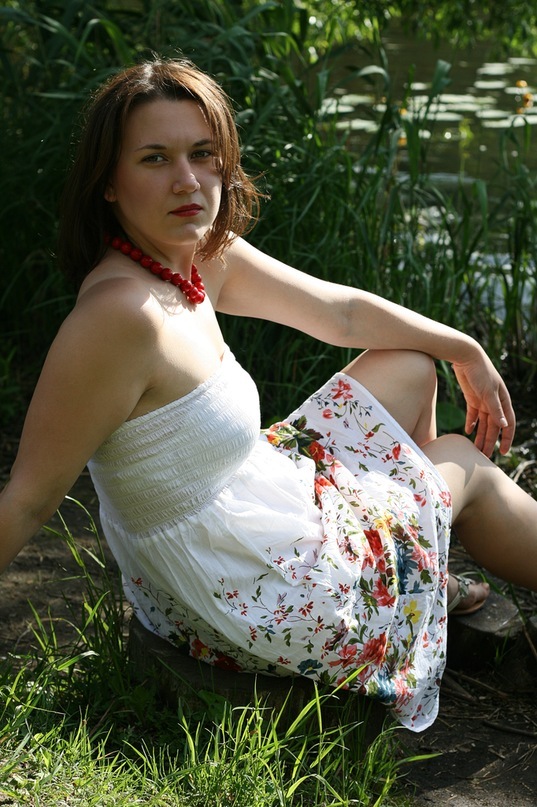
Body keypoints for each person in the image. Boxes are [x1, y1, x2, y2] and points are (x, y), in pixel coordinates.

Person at [1, 58, 536, 733]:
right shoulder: (120, 316)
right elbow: (27, 499)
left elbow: (340, 314)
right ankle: (410, 575)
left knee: (407, 365)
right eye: (155, 158)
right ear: (108, 181)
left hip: (253, 525)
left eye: (203, 154)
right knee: (465, 466)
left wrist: (463, 346)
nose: (187, 180)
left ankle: (417, 576)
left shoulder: (193, 254)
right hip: (251, 598)